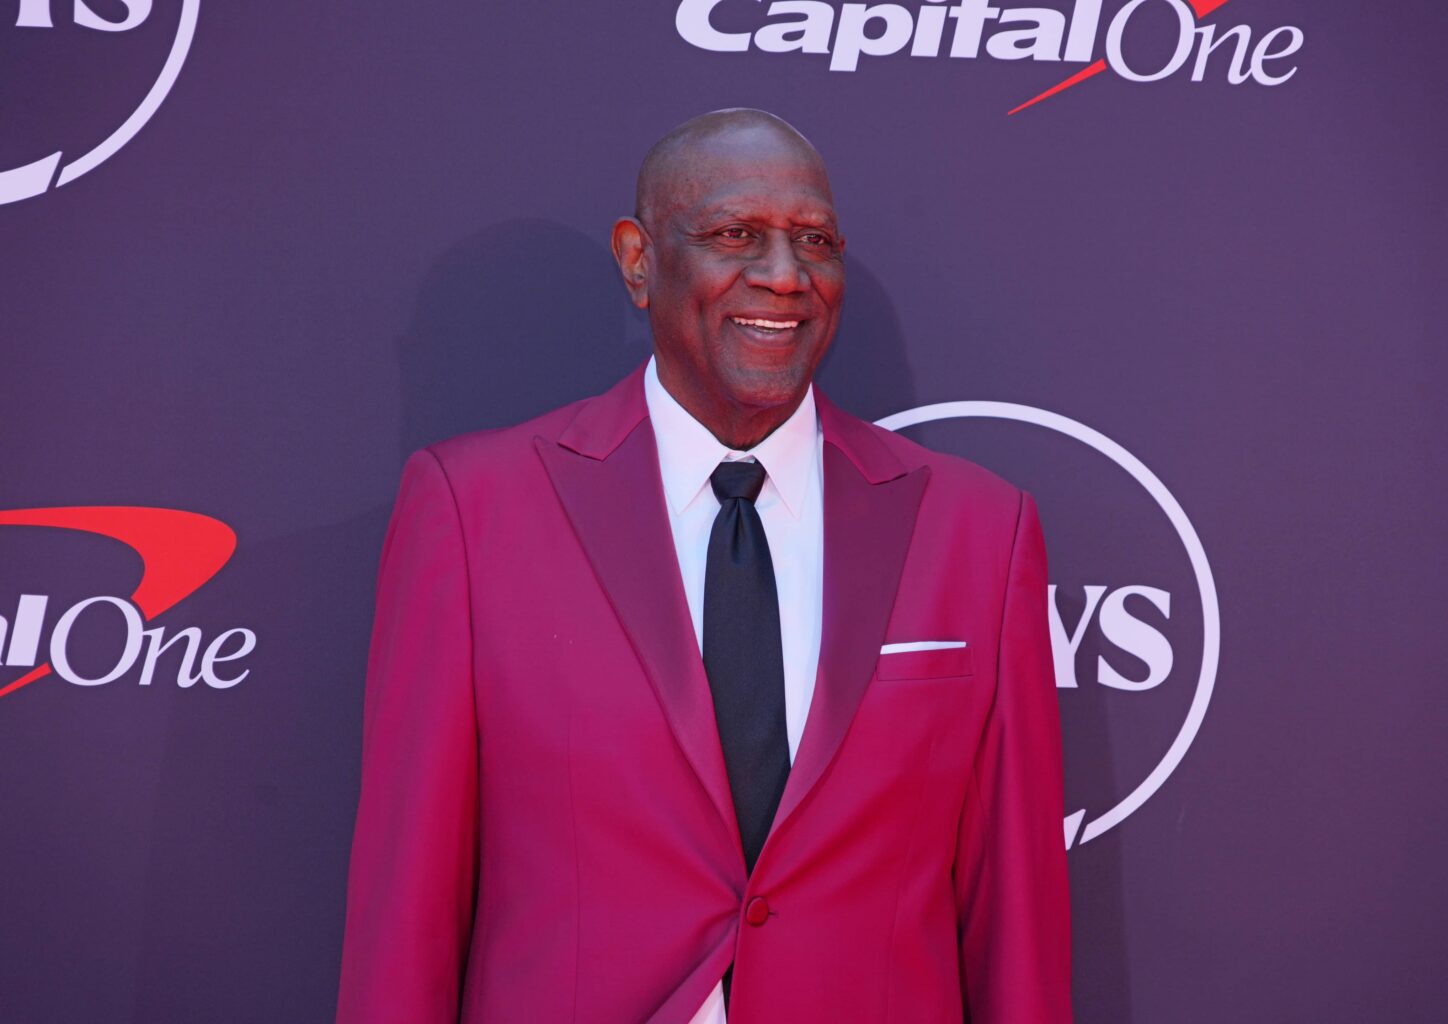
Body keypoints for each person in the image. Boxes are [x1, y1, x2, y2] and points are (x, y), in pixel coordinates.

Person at [336, 109, 1071, 1024]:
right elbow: (408, 901)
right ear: (639, 262)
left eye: (814, 241)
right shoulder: (472, 509)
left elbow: (1016, 918)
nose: (784, 274)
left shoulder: (978, 529)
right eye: (735, 235)